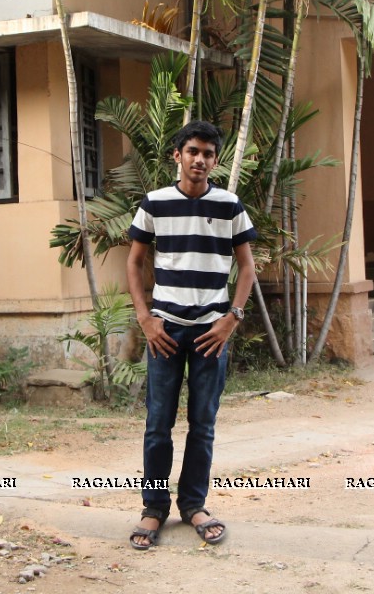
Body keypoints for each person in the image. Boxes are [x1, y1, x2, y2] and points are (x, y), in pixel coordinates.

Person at [125, 120, 257, 550]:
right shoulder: (154, 203)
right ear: (177, 156)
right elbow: (135, 262)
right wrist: (145, 318)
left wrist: (231, 318)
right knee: (157, 424)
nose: (199, 159)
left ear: (215, 161)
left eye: (207, 154)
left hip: (211, 333)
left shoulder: (230, 206)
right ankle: (153, 509)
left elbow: (248, 267)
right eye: (192, 151)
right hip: (164, 329)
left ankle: (194, 505)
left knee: (203, 424)